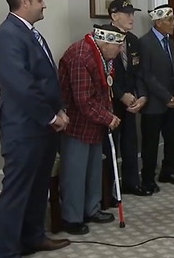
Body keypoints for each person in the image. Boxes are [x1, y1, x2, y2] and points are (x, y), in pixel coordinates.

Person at [0, 0, 71, 257]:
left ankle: (33, 237)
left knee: (38, 187)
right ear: (24, 2)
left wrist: (59, 109)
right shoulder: (7, 36)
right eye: (39, 0)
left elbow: (46, 78)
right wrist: (50, 116)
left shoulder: (29, 32)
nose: (44, 4)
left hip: (43, 126)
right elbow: (21, 86)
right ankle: (8, 251)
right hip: (23, 129)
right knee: (16, 193)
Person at [58, 24, 123, 235]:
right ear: (105, 43)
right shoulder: (80, 56)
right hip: (76, 124)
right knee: (75, 173)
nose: (121, 50)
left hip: (94, 123)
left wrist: (108, 113)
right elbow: (83, 100)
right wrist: (108, 118)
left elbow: (104, 89)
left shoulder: (103, 56)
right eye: (118, 45)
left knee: (93, 169)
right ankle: (71, 218)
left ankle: (91, 209)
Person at [104, 0, 152, 197]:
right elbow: (104, 73)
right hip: (111, 102)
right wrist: (121, 94)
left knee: (131, 143)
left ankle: (132, 182)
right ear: (115, 16)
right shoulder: (104, 38)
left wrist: (141, 96)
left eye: (132, 13)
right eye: (127, 14)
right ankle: (111, 190)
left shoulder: (133, 40)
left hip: (132, 101)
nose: (132, 18)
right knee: (111, 147)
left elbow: (139, 72)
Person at [139, 4, 174, 192]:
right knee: (150, 143)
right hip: (154, 103)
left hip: (172, 101)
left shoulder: (171, 42)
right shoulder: (145, 42)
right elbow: (146, 75)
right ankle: (148, 178)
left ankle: (169, 171)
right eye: (170, 20)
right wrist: (166, 96)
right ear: (158, 22)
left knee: (172, 138)